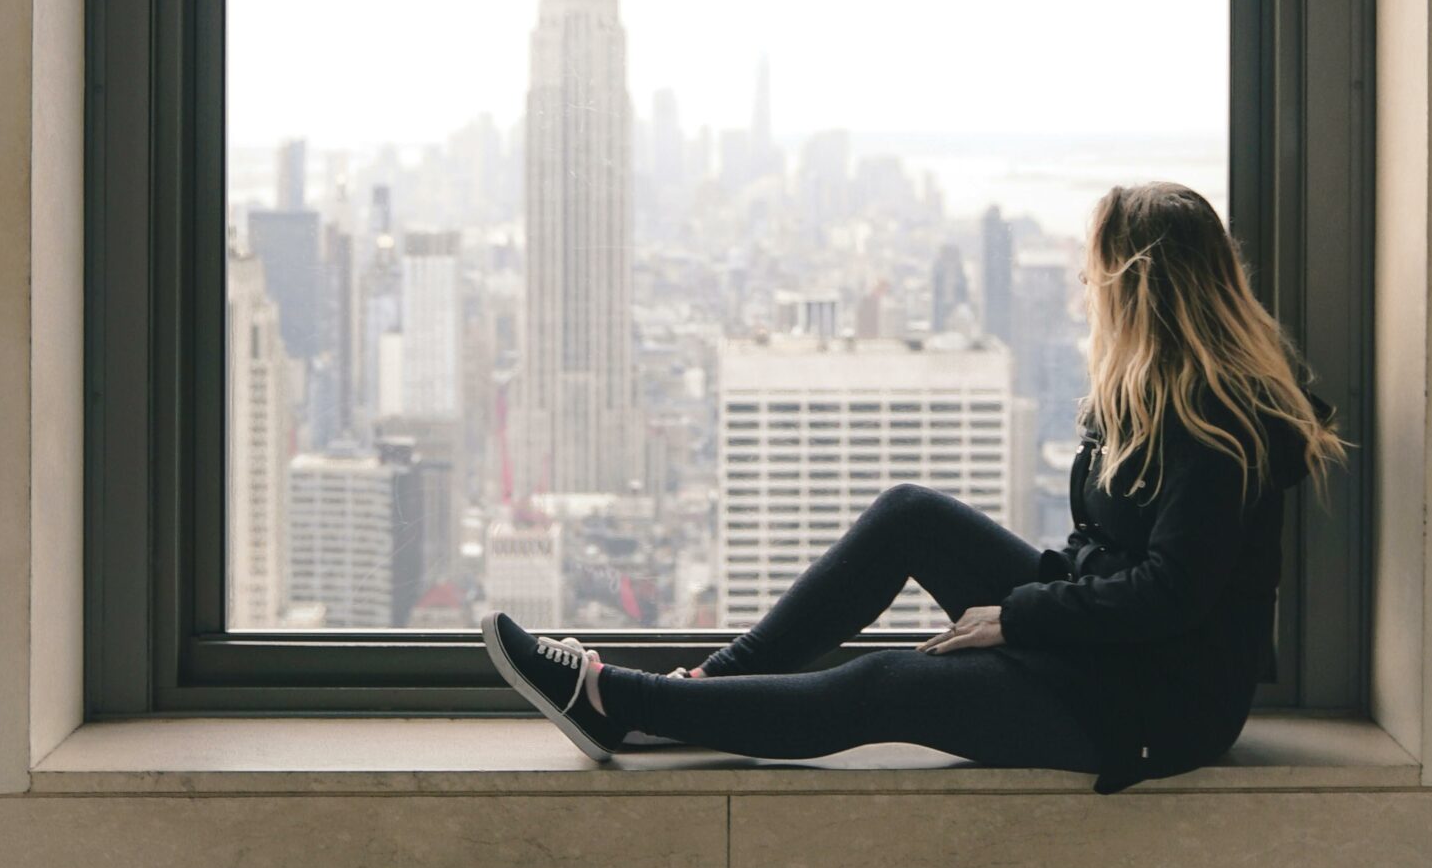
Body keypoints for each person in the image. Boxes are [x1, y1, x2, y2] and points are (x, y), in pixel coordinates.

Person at [482, 182, 1345, 794]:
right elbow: (1106, 559)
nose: (1084, 291)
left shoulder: (1223, 428)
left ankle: (615, 702)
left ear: (1137, 287)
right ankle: (704, 688)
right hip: (1102, 642)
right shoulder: (1146, 391)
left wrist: (1017, 615)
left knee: (889, 687)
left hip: (1151, 701)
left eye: (1095, 274)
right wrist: (1036, 602)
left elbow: (1172, 595)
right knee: (910, 517)